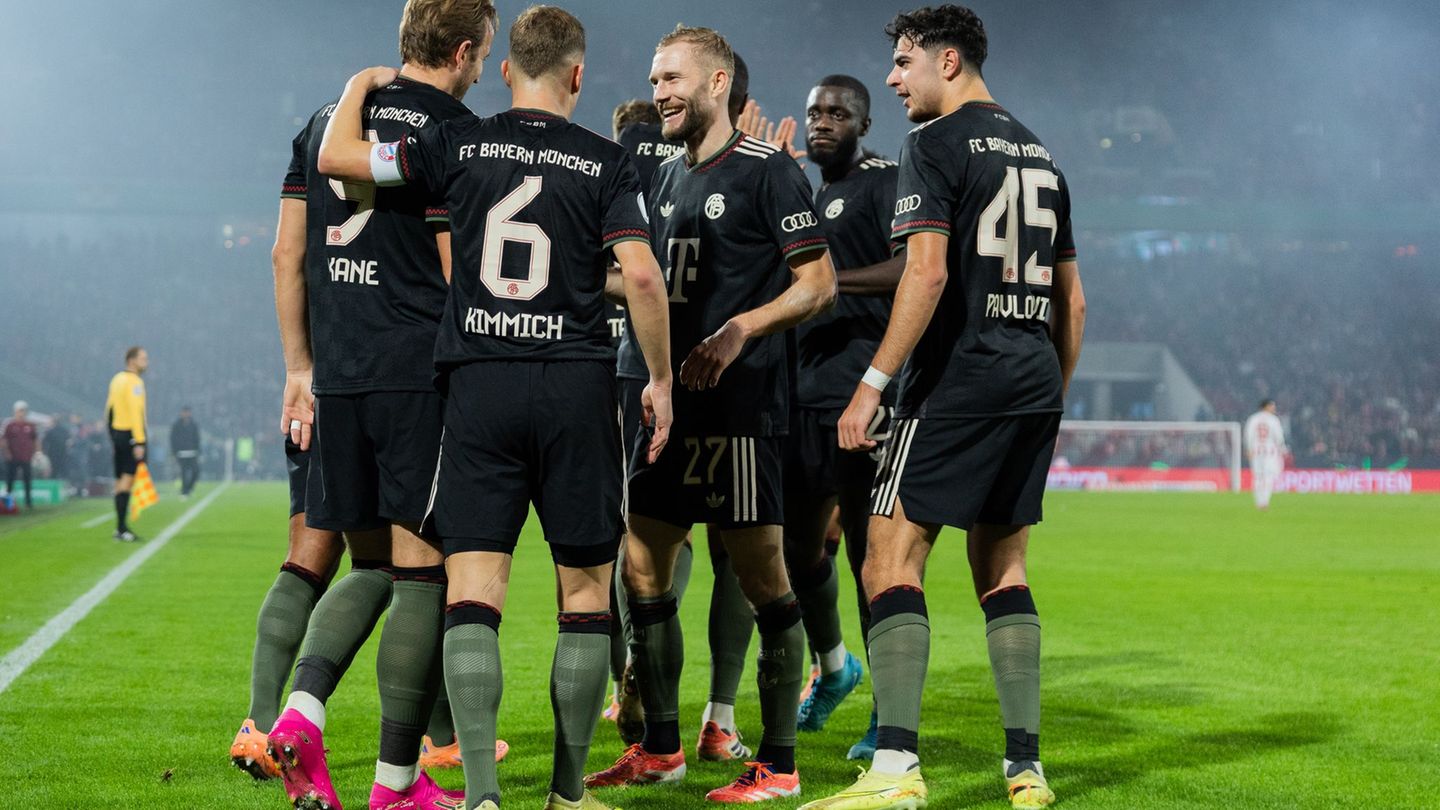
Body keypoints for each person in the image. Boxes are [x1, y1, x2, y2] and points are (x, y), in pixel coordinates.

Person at [318, 6, 674, 809]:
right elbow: (643, 277)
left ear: (507, 69)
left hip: (479, 387)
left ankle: (480, 794)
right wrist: (659, 379)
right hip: (576, 387)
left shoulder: (459, 143)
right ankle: (567, 795)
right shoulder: (607, 160)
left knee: (474, 594)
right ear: (578, 75)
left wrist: (358, 85)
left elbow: (338, 160)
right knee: (584, 598)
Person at [802, 6, 1085, 810]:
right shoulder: (1041, 154)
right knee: (1004, 569)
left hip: (957, 379)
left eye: (904, 62)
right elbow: (1073, 303)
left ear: (948, 61)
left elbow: (924, 273)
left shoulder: (932, 144)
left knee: (887, 560)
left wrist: (872, 383)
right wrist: (1050, 395)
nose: (893, 78)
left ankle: (894, 771)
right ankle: (1026, 771)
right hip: (1031, 378)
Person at [586, 25, 836, 803]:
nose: (659, 92)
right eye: (654, 80)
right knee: (642, 566)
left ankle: (780, 764)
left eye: (672, 78)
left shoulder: (768, 171)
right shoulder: (660, 177)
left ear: (717, 82)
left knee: (763, 576)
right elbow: (645, 285)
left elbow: (819, 284)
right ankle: (661, 748)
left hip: (739, 408)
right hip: (662, 404)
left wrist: (740, 330)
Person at [263, 2, 500, 809]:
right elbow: (457, 268)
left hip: (338, 374)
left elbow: (285, 252)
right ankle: (396, 783)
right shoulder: (457, 132)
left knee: (367, 566)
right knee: (422, 577)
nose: (479, 70)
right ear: (463, 51)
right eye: (481, 55)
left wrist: (299, 367)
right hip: (415, 375)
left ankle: (299, 713)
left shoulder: (325, 120)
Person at [606, 55, 762, 763]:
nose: (662, 93)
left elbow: (624, 274)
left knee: (642, 540)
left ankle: (637, 678)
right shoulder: (747, 169)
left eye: (671, 81)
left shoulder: (629, 162)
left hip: (639, 370)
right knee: (741, 550)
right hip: (725, 380)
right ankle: (719, 716)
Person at [785, 74, 909, 748]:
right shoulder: (811, 193)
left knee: (870, 557)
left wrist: (829, 283)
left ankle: (886, 716)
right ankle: (835, 667)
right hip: (804, 393)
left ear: (863, 124)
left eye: (837, 113)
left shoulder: (884, 181)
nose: (822, 122)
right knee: (797, 550)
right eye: (814, 112)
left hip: (863, 390)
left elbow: (910, 266)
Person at [106, 347, 149, 541]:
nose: (146, 362)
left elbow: (109, 409)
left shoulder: (117, 379)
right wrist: (139, 441)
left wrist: (112, 434)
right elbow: (135, 412)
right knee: (127, 481)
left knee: (119, 481)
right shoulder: (135, 382)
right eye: (143, 358)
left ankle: (119, 527)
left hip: (117, 434)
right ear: (131, 360)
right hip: (131, 435)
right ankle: (122, 528)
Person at [1245, 399, 1287, 510]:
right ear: (1266, 406)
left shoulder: (1253, 419)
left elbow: (1248, 435)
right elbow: (1279, 437)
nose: (1274, 408)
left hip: (1256, 451)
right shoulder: (1273, 420)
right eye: (1272, 406)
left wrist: (1249, 449)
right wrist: (1283, 449)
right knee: (1268, 476)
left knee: (1258, 477)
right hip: (1270, 452)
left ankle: (1259, 502)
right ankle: (1265, 502)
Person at [3, 401, 40, 509]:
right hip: (12, 457)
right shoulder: (9, 425)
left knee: (27, 480)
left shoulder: (30, 425)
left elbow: (35, 440)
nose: (21, 413)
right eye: (20, 411)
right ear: (15, 411)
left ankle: (28, 503)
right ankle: (8, 505)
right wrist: (7, 453)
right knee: (10, 481)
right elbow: (4, 440)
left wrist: (37, 452)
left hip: (26, 457)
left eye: (23, 411)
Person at [170, 406, 201, 498]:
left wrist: (198, 450)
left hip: (192, 452)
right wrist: (174, 452)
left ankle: (189, 488)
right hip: (181, 453)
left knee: (196, 471)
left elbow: (197, 438)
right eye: (184, 412)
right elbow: (173, 439)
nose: (186, 414)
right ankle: (184, 491)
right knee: (184, 472)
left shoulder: (193, 424)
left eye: (187, 412)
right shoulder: (176, 425)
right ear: (181, 413)